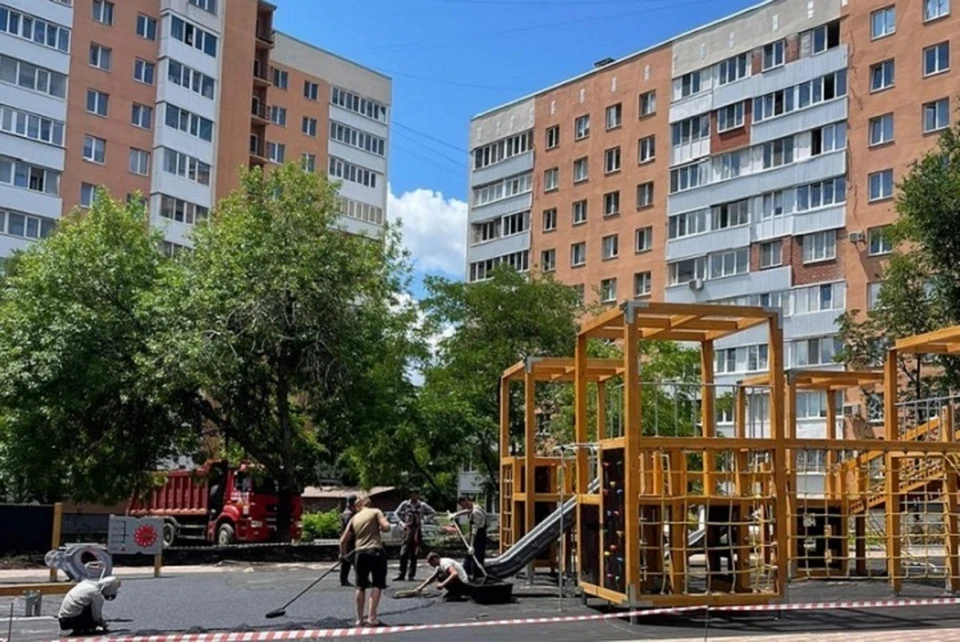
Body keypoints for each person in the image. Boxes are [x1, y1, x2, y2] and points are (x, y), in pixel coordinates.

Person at [339, 493, 391, 627]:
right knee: (377, 584)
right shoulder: (375, 512)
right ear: (368, 503)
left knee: (360, 586)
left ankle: (359, 619)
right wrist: (382, 527)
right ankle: (372, 618)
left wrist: (343, 555)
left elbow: (343, 540)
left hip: (360, 553)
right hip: (375, 551)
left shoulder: (354, 518)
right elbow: (386, 527)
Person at [393, 489, 436, 581]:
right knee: (403, 553)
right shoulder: (405, 504)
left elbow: (433, 512)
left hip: (417, 531)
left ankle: (411, 575)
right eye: (412, 494)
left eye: (415, 494)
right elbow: (395, 513)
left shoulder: (422, 505)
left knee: (414, 553)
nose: (414, 496)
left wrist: (424, 520)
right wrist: (401, 523)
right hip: (407, 530)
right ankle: (401, 574)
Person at [457, 497, 488, 580]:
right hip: (476, 535)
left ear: (467, 501)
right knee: (469, 556)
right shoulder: (474, 507)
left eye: (464, 505)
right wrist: (456, 514)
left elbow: (475, 530)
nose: (464, 507)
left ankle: (477, 577)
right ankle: (466, 574)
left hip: (479, 537)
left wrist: (471, 545)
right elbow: (468, 511)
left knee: (476, 557)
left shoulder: (476, 512)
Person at [339, 495, 358, 587]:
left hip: (348, 539)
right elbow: (349, 528)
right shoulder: (349, 514)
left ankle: (344, 579)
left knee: (349, 560)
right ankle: (344, 580)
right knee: (352, 560)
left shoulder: (346, 513)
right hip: (349, 540)